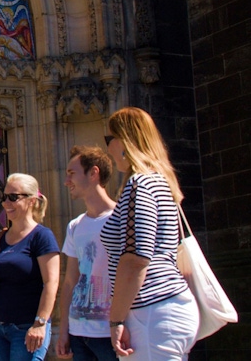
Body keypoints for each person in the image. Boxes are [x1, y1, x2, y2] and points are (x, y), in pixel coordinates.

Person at [101, 107, 198, 359]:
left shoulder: (140, 184)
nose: (108, 149)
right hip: (161, 308)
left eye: (108, 140)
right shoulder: (158, 181)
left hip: (151, 310)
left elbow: (136, 259)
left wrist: (116, 320)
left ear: (124, 141)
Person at [0, 173, 60, 361]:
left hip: (26, 327)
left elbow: (51, 283)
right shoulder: (0, 237)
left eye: (13, 197)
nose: (6, 203)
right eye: (4, 197)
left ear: (30, 201)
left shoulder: (41, 236)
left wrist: (39, 324)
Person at [56, 146, 117, 361]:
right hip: (78, 333)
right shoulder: (75, 226)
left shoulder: (120, 220)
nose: (66, 181)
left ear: (93, 173)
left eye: (72, 174)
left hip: (110, 333)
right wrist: (64, 330)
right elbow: (70, 280)